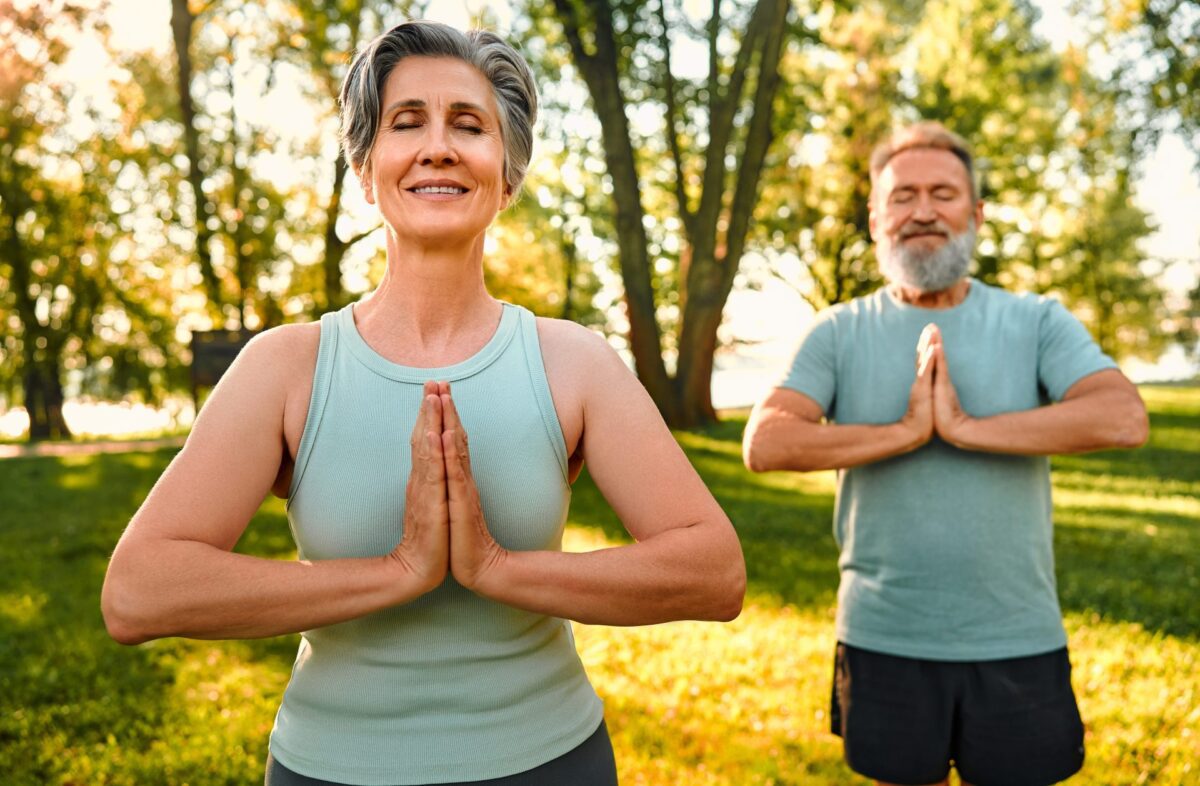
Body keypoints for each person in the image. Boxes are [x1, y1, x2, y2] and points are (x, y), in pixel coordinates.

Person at [101, 21, 745, 786]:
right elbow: (138, 593)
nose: (438, 146)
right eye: (407, 122)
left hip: (550, 760)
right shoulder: (286, 367)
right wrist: (398, 572)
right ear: (367, 168)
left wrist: (495, 568)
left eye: (468, 126)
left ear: (506, 175)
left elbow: (714, 572)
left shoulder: (574, 362)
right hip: (332, 768)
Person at [742, 122, 1148, 786]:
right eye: (902, 196)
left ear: (977, 214)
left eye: (943, 193)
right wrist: (903, 432)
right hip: (883, 637)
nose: (923, 210)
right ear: (876, 218)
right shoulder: (839, 330)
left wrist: (962, 427)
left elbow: (1123, 416)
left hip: (1016, 636)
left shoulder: (1037, 320)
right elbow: (766, 442)